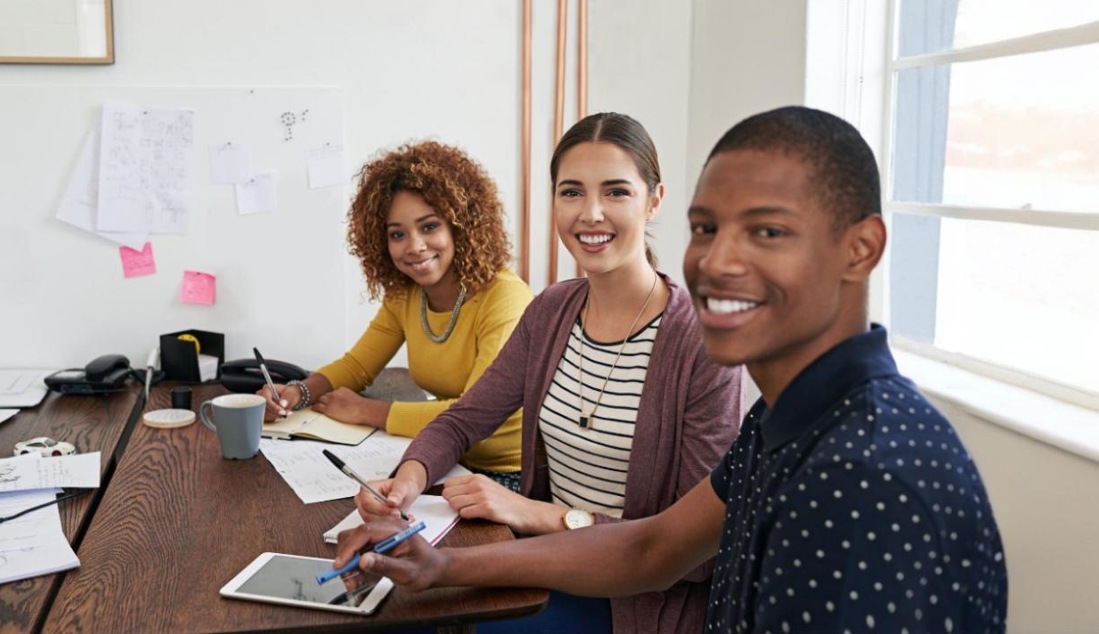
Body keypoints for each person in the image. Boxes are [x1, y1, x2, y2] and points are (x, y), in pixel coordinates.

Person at [334, 106, 1009, 633]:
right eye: (707, 228)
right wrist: (441, 560)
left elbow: (669, 566)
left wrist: (534, 518)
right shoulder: (786, 418)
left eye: (767, 231)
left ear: (860, 250)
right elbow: (652, 546)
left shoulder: (869, 469)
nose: (716, 262)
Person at [356, 112, 744, 634]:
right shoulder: (552, 311)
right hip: (544, 563)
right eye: (571, 193)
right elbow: (462, 421)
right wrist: (407, 482)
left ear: (654, 201)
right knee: (387, 607)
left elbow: (690, 552)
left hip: (635, 601)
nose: (591, 214)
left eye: (616, 193)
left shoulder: (702, 342)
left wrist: (537, 514)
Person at [260, 141, 533, 484]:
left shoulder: (505, 299)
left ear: (460, 226)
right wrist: (297, 392)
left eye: (429, 226)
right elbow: (357, 366)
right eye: (397, 234)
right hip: (442, 455)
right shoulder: (406, 295)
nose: (414, 246)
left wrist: (366, 410)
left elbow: (475, 416)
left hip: (508, 473)